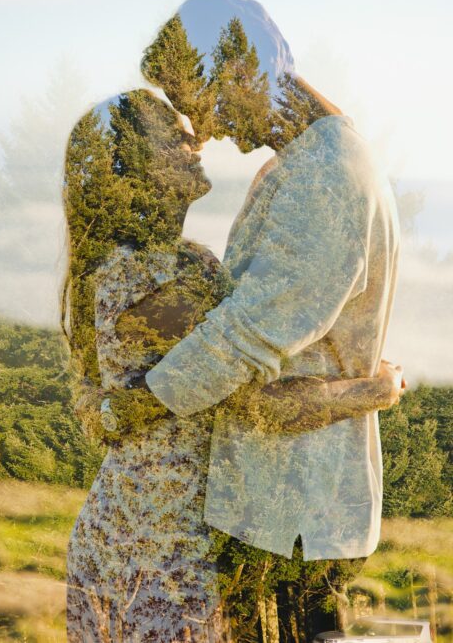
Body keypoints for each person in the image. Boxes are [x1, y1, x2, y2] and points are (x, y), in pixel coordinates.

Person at [61, 84, 402, 642]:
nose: (191, 135)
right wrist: (376, 391)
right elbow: (259, 405)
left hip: (168, 535)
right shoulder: (146, 282)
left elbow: (92, 403)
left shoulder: (185, 264)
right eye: (168, 132)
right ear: (133, 168)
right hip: (154, 548)